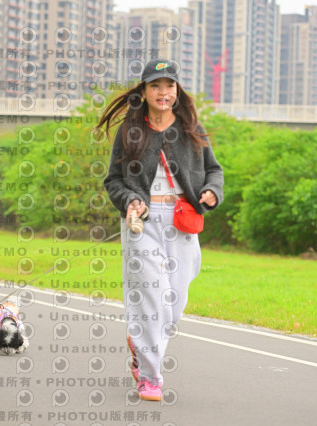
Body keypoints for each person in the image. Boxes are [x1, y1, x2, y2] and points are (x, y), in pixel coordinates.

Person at [98, 59, 224, 401]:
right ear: (144, 91)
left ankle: (140, 345)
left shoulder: (191, 128)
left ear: (177, 90)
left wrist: (212, 192)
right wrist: (130, 201)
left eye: (169, 85)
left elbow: (214, 170)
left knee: (174, 304)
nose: (163, 92)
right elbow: (113, 180)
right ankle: (150, 377)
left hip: (182, 220)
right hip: (143, 222)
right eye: (155, 85)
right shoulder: (131, 131)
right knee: (152, 298)